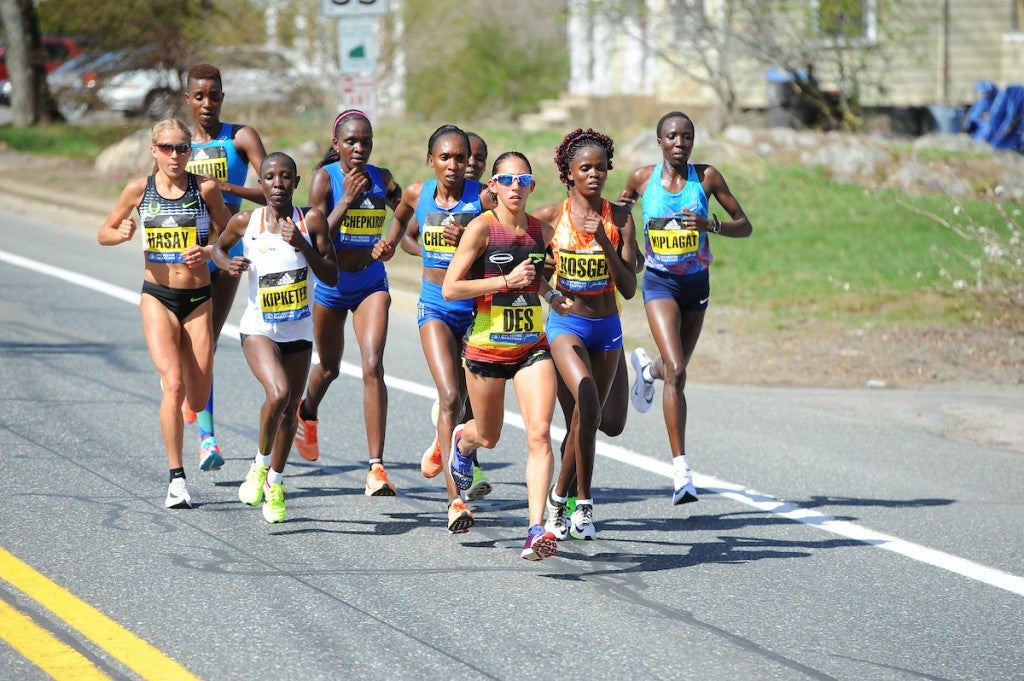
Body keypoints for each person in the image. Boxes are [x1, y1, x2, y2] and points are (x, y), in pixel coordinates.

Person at [618, 111, 752, 505]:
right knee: (676, 370)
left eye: (687, 136)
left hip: (697, 284)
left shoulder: (707, 177)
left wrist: (709, 225)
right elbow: (619, 212)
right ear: (659, 142)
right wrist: (631, 248)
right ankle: (682, 472)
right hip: (660, 283)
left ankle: (646, 368)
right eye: (672, 136)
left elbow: (744, 224)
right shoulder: (641, 179)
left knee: (675, 370)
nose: (680, 143)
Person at [97, 118, 232, 508]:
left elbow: (230, 234)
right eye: (168, 148)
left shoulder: (204, 188)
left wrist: (209, 252)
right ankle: (177, 480)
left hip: (198, 299)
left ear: (190, 152)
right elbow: (103, 231)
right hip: (156, 296)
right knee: (173, 385)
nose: (175, 156)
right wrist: (118, 234)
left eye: (182, 148)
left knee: (197, 395)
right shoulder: (139, 190)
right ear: (154, 150)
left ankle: (182, 392)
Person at [442, 151, 560, 561]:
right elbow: (451, 289)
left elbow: (540, 279)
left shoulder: (541, 232)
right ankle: (463, 442)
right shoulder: (481, 229)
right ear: (492, 185)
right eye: (506, 180)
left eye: (523, 180)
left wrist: (553, 295)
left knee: (540, 433)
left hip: (532, 347)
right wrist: (504, 280)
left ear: (531, 186)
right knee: (488, 436)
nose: (515, 188)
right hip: (486, 349)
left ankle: (536, 529)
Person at [210, 152, 337, 523]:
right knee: (278, 394)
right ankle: (259, 466)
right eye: (270, 177)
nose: (278, 184)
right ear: (261, 185)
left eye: (285, 177)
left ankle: (276, 484)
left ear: (296, 183)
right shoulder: (245, 222)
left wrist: (303, 245)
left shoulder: (310, 220)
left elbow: (330, 276)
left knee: (289, 413)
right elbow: (217, 248)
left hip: (298, 332)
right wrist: (226, 263)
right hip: (259, 329)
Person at [532, 128, 637, 541]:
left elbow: (628, 287)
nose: (594, 174)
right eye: (585, 168)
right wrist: (547, 293)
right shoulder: (547, 219)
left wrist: (602, 241)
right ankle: (582, 505)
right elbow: (532, 270)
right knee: (587, 400)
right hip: (566, 326)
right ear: (568, 174)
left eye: (600, 167)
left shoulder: (622, 220)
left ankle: (560, 498)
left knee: (600, 422)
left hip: (607, 327)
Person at [293, 109, 404, 496]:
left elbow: (404, 208)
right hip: (331, 285)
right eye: (352, 142)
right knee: (328, 368)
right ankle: (306, 412)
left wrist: (392, 242)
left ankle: (376, 468)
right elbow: (315, 233)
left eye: (366, 142)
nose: (359, 149)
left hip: (372, 282)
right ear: (336, 142)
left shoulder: (382, 178)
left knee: (372, 365)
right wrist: (349, 199)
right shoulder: (325, 178)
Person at [393, 125, 493, 533]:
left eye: (462, 158)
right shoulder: (417, 194)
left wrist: (469, 240)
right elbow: (404, 233)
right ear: (431, 159)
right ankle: (455, 501)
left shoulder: (484, 196)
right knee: (450, 396)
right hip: (435, 304)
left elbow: (503, 246)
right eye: (446, 158)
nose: (455, 165)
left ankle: (447, 444)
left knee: (472, 406)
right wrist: (393, 245)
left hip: (476, 310)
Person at [183, 62, 269, 471]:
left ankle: (202, 424)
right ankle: (207, 438)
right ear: (188, 99)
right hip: (190, 251)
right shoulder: (178, 143)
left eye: (213, 96)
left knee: (210, 341)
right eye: (199, 96)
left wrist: (225, 188)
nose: (206, 104)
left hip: (229, 246)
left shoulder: (240, 137)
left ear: (222, 97)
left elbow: (273, 188)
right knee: (196, 345)